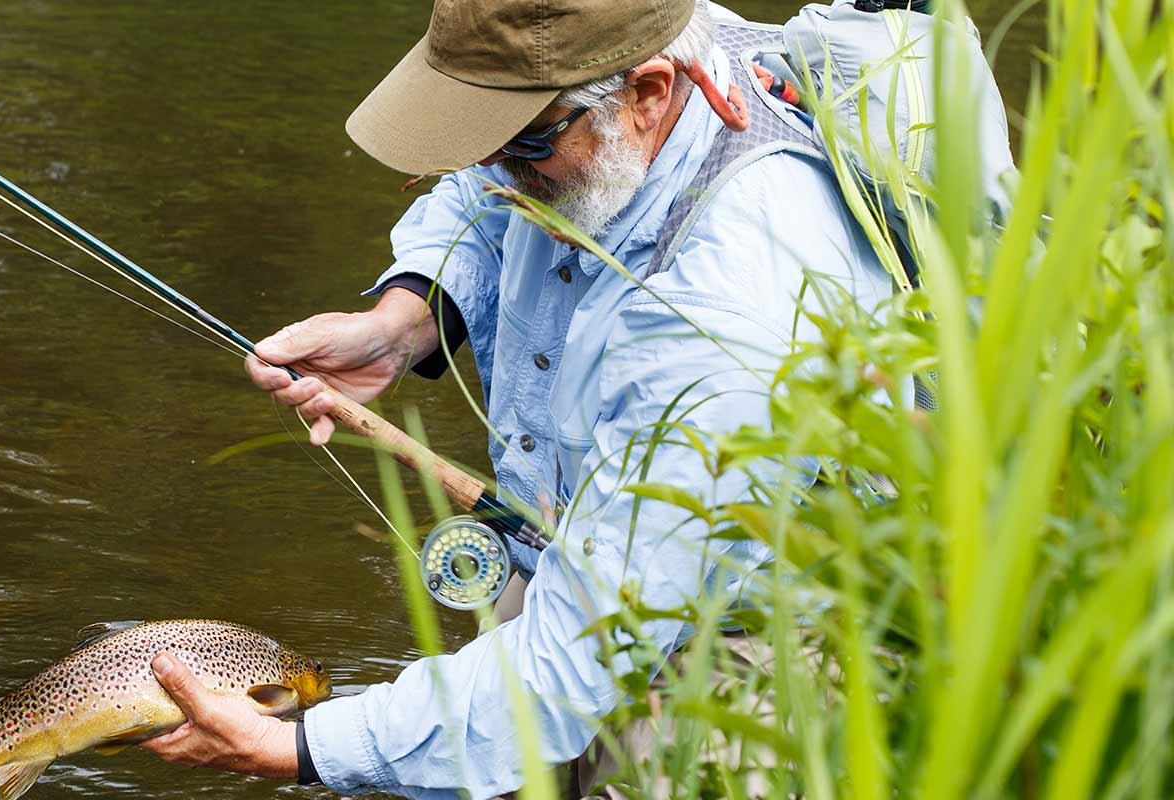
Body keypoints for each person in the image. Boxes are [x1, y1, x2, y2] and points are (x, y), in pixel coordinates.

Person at [137, 0, 894, 797]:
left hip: (737, 666)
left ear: (648, 92)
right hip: (583, 577)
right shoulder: (629, 45)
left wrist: (300, 747)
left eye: (526, 142)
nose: (498, 167)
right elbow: (480, 191)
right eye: (480, 136)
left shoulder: (727, 311)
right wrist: (403, 321)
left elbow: (575, 657)